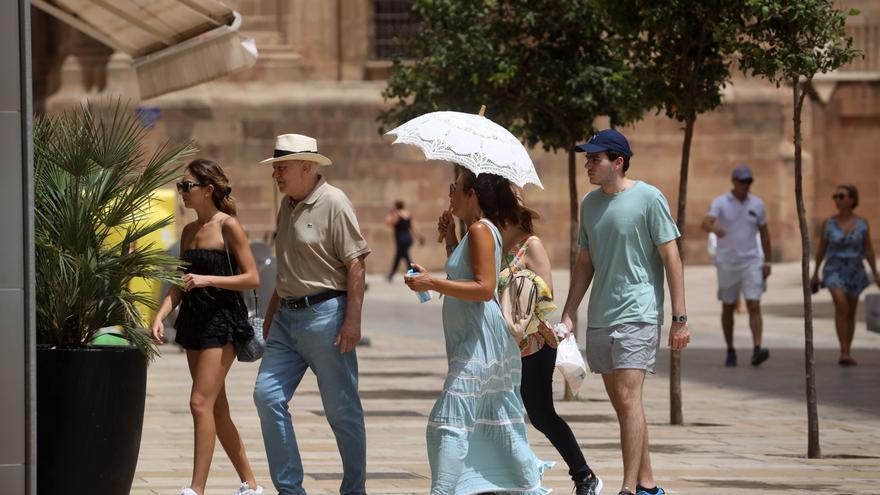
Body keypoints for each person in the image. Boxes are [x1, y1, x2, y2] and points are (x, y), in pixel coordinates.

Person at [404, 167, 551, 495]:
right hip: (474, 340)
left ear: (472, 195)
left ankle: (443, 492)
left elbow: (484, 288)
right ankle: (529, 487)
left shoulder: (483, 230)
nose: (450, 194)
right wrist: (452, 241)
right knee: (499, 422)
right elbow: (467, 275)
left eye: (455, 187)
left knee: (448, 424)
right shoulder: (475, 230)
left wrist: (431, 282)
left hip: (480, 341)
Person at [560, 129, 690, 495]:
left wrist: (679, 319)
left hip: (639, 314)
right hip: (601, 316)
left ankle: (628, 489)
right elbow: (584, 262)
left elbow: (672, 257)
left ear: (617, 162)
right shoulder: (589, 204)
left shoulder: (650, 198)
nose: (587, 163)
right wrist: (570, 312)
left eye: (594, 158)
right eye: (586, 158)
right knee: (622, 405)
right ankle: (648, 484)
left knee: (631, 400)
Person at [253, 134, 371, 495]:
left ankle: (354, 489)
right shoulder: (287, 205)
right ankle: (290, 490)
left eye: (282, 167)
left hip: (327, 319)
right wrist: (271, 317)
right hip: (286, 321)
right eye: (274, 168)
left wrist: (352, 321)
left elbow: (356, 262)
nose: (276, 174)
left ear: (307, 166)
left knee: (341, 411)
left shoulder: (334, 202)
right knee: (266, 396)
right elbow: (287, 268)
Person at [150, 158, 264, 495]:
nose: (182, 192)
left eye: (187, 186)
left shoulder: (228, 226)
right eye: (180, 186)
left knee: (199, 403)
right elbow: (178, 284)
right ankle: (251, 485)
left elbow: (252, 278)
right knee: (217, 408)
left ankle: (195, 490)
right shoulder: (188, 232)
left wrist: (206, 279)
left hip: (223, 322)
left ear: (208, 189)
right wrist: (160, 314)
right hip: (193, 323)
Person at [499, 190, 602, 495]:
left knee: (542, 414)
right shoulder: (494, 244)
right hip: (503, 345)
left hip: (534, 344)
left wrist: (515, 290)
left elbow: (547, 297)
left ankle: (585, 476)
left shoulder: (531, 245)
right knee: (501, 412)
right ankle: (506, 479)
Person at [701, 165, 772, 367]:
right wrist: (715, 228)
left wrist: (767, 261)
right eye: (742, 181)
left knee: (754, 303)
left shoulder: (757, 204)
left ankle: (757, 348)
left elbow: (765, 234)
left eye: (749, 181)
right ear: (733, 182)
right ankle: (730, 349)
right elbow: (705, 223)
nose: (746, 185)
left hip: (751, 260)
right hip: (727, 262)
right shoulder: (721, 202)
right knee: (728, 306)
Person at [811, 184, 879, 366]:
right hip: (834, 268)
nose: (837, 200)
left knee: (850, 311)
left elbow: (869, 250)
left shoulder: (862, 223)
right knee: (841, 306)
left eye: (841, 196)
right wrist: (815, 272)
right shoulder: (829, 223)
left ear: (852, 200)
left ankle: (847, 350)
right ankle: (843, 351)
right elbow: (821, 249)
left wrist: (875, 273)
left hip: (855, 270)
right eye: (835, 197)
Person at [386, 199, 425, 281]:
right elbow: (414, 227)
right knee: (400, 256)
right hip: (408, 238)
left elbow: (389, 222)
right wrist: (420, 236)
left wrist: (391, 213)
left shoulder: (397, 214)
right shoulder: (408, 214)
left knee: (405, 257)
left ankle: (415, 272)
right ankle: (391, 275)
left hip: (401, 239)